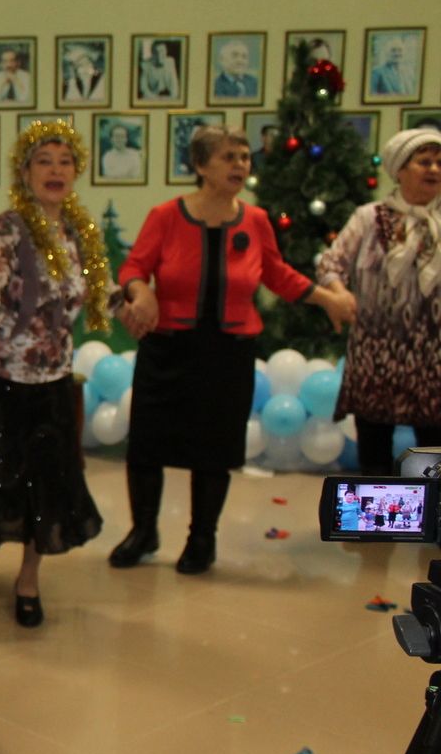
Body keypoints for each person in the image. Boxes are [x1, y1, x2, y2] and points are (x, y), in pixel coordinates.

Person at [112, 125, 354, 573]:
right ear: (201, 166)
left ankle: (202, 538)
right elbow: (134, 266)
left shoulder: (256, 221)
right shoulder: (165, 215)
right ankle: (142, 531)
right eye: (228, 157)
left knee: (214, 448)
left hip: (228, 352)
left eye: (244, 156)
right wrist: (138, 290)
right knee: (147, 445)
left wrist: (328, 300)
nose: (240, 164)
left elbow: (277, 274)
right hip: (167, 347)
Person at [0, 120, 108, 627]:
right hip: (6, 376)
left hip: (54, 378)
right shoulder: (8, 225)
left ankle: (29, 579)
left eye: (64, 161)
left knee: (46, 486)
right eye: (43, 161)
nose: (55, 170)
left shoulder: (78, 231)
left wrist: (135, 298)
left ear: (77, 171)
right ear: (24, 172)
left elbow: (96, 292)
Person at [317, 128, 441, 474]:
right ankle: (379, 525)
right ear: (400, 169)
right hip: (375, 350)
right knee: (374, 446)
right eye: (424, 162)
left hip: (434, 354)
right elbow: (330, 264)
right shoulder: (368, 217)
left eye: (440, 164)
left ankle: (431, 521)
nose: (434, 170)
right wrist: (339, 293)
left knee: (434, 452)